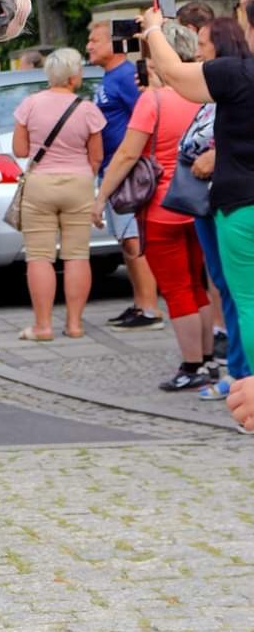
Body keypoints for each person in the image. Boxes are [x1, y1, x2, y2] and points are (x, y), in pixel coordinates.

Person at [140, 1, 254, 415]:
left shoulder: (237, 73)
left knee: (248, 300)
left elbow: (173, 74)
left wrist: (153, 29)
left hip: (242, 204)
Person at [93, 21, 213, 391]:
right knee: (199, 285)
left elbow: (127, 154)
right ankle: (209, 359)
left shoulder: (154, 100)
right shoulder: (204, 94)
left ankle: (191, 365)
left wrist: (100, 198)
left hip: (162, 207)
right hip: (199, 202)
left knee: (177, 289)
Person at [12, 48, 105, 340]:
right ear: (73, 77)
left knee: (39, 256)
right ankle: (75, 325)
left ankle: (42, 326)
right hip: (78, 183)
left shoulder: (29, 104)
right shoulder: (87, 109)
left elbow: (20, 150)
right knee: (77, 255)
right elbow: (97, 156)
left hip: (40, 184)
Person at [187, 17, 251, 399]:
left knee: (238, 292)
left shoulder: (230, 82)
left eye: (202, 44)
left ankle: (242, 375)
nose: (197, 51)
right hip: (215, 199)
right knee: (226, 287)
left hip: (232, 200)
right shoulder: (218, 84)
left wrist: (214, 155)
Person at [85, 19, 163, 331]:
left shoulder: (126, 77)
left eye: (95, 40)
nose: (89, 46)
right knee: (126, 242)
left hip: (128, 172)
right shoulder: (110, 77)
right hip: (112, 170)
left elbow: (147, 117)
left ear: (114, 44)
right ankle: (140, 303)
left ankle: (150, 308)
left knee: (133, 241)